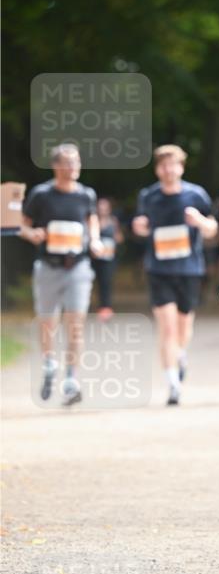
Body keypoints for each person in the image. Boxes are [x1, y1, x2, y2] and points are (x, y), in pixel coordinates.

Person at [132, 145, 217, 405]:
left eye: (173, 164)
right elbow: (141, 226)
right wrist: (139, 227)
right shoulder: (148, 196)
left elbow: (212, 228)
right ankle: (173, 384)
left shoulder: (196, 195)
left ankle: (180, 354)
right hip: (159, 269)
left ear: (181, 167)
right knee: (167, 328)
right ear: (158, 169)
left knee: (183, 326)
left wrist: (200, 222)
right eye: (163, 165)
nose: (168, 170)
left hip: (189, 269)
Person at [20, 143, 103, 406]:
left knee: (75, 324)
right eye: (67, 162)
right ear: (55, 166)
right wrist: (31, 234)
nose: (73, 167)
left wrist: (95, 239)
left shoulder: (86, 194)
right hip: (48, 266)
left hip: (78, 266)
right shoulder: (41, 194)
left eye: (76, 162)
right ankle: (49, 364)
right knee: (48, 322)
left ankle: (71, 380)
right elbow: (22, 224)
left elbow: (92, 220)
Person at [92, 196, 124, 320]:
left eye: (105, 206)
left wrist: (114, 242)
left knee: (105, 282)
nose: (102, 209)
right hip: (94, 258)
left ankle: (105, 307)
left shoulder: (113, 221)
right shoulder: (93, 221)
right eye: (100, 206)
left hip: (108, 258)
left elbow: (119, 237)